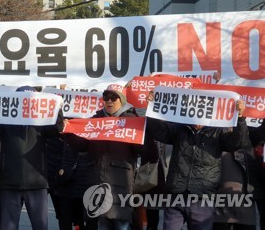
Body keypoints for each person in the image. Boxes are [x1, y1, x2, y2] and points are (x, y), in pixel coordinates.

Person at [145, 91, 248, 230]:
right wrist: (152, 106)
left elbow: (237, 143)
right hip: (176, 194)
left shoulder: (218, 132)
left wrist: (240, 118)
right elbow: (158, 131)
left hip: (202, 197)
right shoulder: (179, 129)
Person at [65, 84, 153, 230]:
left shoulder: (132, 121)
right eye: (106, 97)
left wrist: (145, 130)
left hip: (122, 186)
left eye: (114, 97)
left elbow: (143, 150)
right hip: (97, 182)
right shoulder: (94, 120)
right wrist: (67, 130)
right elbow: (80, 145)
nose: (109, 101)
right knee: (102, 224)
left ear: (122, 101)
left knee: (122, 224)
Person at [0, 85, 64, 230]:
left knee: (40, 226)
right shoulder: (5, 120)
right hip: (9, 181)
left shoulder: (43, 122)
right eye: (21, 100)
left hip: (37, 183)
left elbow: (57, 129)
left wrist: (57, 108)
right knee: (7, 226)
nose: (26, 103)